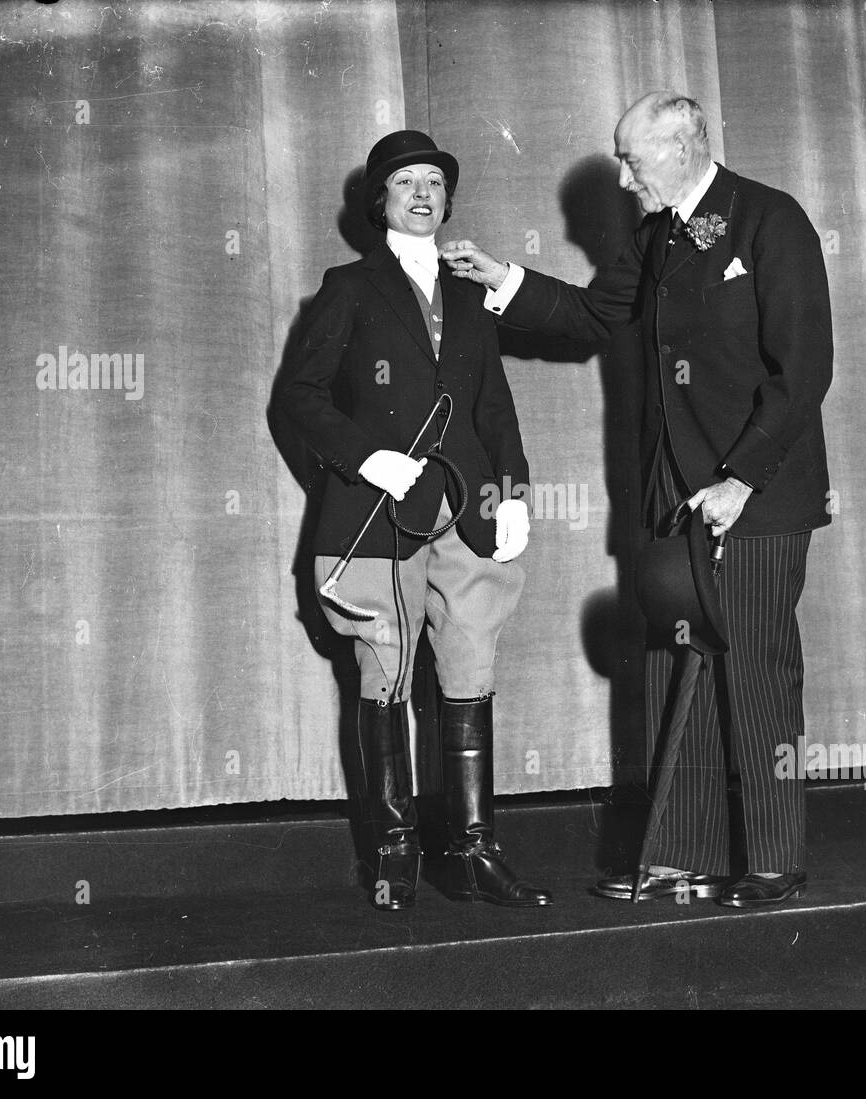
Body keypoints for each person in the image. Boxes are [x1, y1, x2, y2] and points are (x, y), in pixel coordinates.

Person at [443, 92, 832, 907]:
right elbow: (592, 314)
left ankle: (772, 859)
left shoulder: (769, 220)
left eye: (633, 159)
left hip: (752, 493)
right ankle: (677, 855)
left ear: (686, 145)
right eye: (619, 160)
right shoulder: (656, 238)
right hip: (670, 492)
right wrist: (503, 281)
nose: (623, 179)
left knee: (753, 668)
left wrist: (741, 479)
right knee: (669, 671)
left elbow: (805, 370)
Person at [271, 130, 552, 911]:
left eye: (434, 181)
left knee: (469, 669)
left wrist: (513, 494)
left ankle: (469, 850)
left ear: (448, 200)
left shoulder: (470, 294)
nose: (423, 193)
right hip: (379, 513)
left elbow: (493, 406)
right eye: (406, 183)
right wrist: (369, 459)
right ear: (380, 202)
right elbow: (300, 396)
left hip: (467, 511)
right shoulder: (348, 288)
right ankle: (394, 853)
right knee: (385, 671)